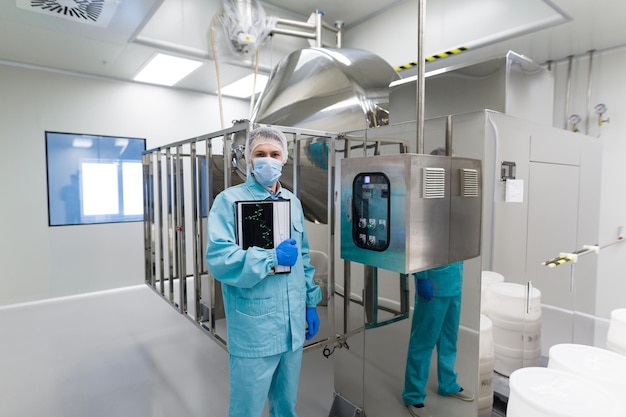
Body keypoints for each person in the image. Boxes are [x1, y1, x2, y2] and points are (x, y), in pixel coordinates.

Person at [205, 125, 322, 417]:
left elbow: (304, 257)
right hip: (255, 328)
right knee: (247, 408)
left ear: (284, 159)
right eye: (260, 154)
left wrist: (310, 302)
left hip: (293, 326)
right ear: (248, 159)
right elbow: (221, 259)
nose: (267, 159)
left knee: (286, 405)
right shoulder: (229, 201)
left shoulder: (292, 201)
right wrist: (270, 257)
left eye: (274, 153)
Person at [403, 261, 474, 417]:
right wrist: (421, 277)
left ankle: (448, 384)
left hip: (454, 283)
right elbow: (419, 243)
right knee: (423, 341)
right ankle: (413, 395)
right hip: (433, 284)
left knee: (449, 338)